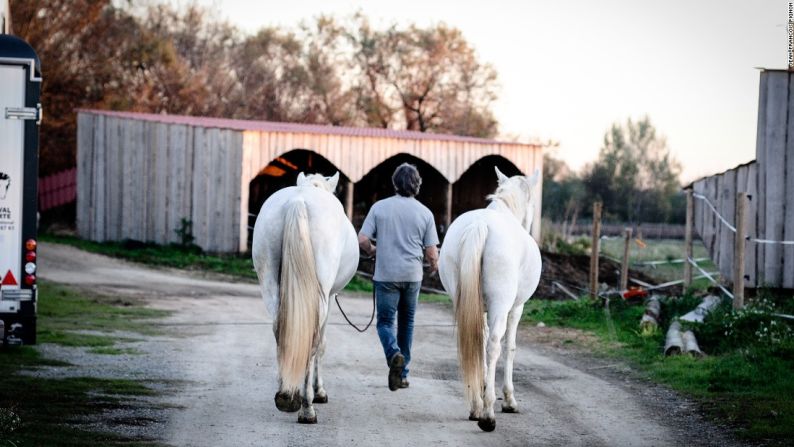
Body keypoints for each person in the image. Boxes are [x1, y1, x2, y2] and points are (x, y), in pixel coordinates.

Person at [358, 163, 439, 391]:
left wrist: (374, 250)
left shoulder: (380, 208)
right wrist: (434, 266)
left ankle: (394, 353)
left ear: (394, 183)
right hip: (413, 276)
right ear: (417, 185)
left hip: (386, 275)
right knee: (407, 323)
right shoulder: (425, 213)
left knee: (385, 322)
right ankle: (402, 375)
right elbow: (432, 252)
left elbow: (362, 239)